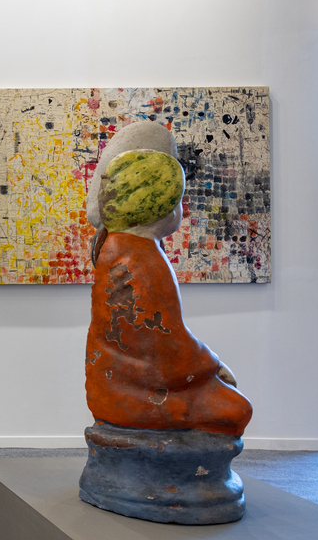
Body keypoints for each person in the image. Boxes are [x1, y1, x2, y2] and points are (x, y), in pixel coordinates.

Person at [84, 122, 252, 438]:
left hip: (120, 383)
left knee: (230, 403)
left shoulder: (124, 248)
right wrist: (213, 365)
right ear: (158, 204)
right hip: (133, 393)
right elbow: (164, 346)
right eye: (177, 201)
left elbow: (155, 341)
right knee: (238, 409)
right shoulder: (139, 259)